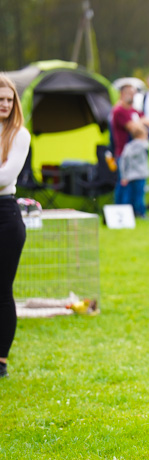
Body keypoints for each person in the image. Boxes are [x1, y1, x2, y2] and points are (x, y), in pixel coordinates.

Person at [0, 74, 31, 378]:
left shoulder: (20, 134)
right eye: (0, 100)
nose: (6, 105)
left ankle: (1, 361)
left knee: (2, 290)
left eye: (9, 100)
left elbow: (6, 177)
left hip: (5, 217)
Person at [110, 83, 142, 205]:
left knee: (135, 184)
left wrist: (137, 123)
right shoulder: (118, 111)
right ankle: (120, 208)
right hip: (123, 152)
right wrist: (139, 123)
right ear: (122, 94)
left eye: (134, 93)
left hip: (135, 153)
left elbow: (148, 122)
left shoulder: (133, 110)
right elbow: (134, 129)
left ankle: (133, 210)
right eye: (130, 93)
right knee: (123, 183)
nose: (132, 96)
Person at [119, 121, 149, 217]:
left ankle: (127, 213)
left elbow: (123, 161)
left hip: (129, 176)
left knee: (128, 196)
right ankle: (141, 213)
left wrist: (123, 176)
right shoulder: (145, 145)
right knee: (140, 196)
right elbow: (148, 142)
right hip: (141, 175)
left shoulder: (128, 147)